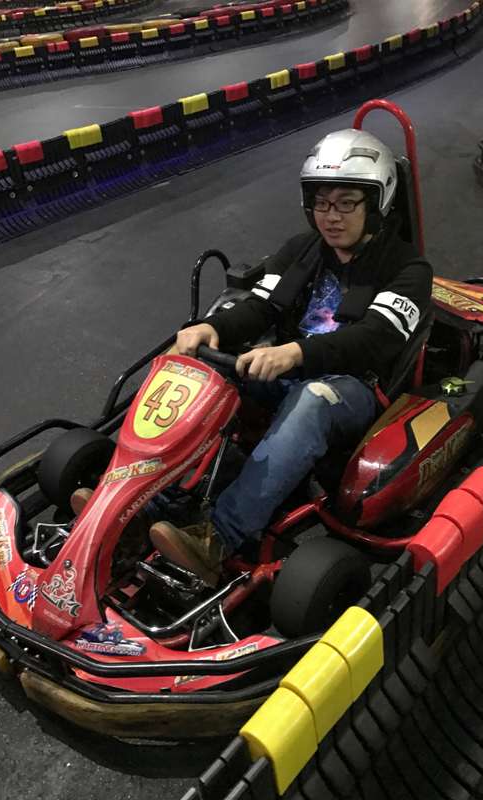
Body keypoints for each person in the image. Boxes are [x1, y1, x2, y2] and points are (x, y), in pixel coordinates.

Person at [148, 129, 434, 586]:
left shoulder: (408, 269)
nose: (331, 217)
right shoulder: (301, 250)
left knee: (312, 399)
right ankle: (150, 499)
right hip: (288, 366)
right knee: (203, 367)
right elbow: (260, 307)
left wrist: (295, 353)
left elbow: (375, 340)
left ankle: (219, 538)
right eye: (322, 203)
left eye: (346, 204)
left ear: (376, 203)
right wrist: (213, 328)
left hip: (354, 386)